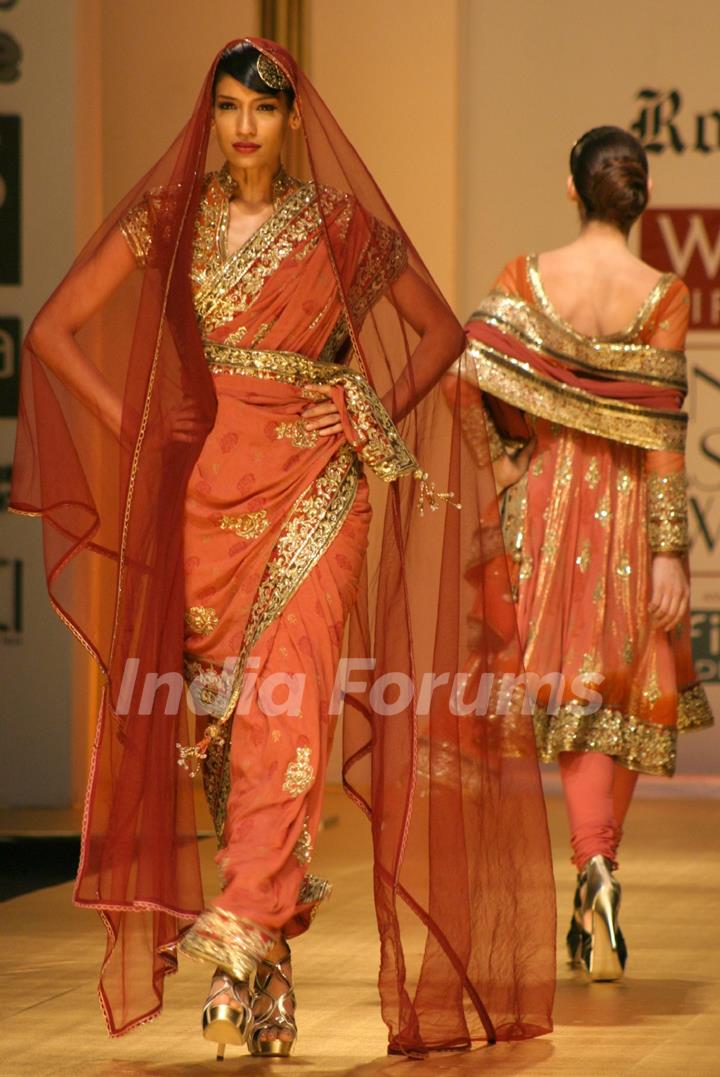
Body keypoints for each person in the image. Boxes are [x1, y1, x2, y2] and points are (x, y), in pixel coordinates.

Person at [10, 38, 555, 1058]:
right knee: (230, 733)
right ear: (211, 117)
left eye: (262, 109)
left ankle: (236, 943)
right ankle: (268, 975)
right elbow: (53, 331)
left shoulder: (339, 227)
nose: (243, 127)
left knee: (290, 700)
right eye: (226, 109)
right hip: (206, 489)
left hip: (315, 485)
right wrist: (138, 429)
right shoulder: (171, 215)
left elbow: (439, 336)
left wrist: (361, 419)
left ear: (294, 117)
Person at [457, 125, 713, 983]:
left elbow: (479, 384)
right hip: (634, 513)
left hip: (549, 504)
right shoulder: (663, 292)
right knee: (630, 694)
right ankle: (600, 863)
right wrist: (673, 553)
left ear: (573, 188)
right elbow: (664, 433)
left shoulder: (525, 279)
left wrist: (509, 464)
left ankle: (592, 867)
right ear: (637, 197)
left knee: (571, 689)